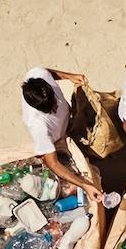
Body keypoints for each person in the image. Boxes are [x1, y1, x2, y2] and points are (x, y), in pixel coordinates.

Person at [21, 66, 103, 202]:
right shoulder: (38, 126)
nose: (55, 107)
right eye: (49, 109)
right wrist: (84, 185)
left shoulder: (39, 74)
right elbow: (53, 163)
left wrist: (69, 76)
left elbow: (48, 72)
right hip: (57, 139)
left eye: (54, 102)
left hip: (66, 124)